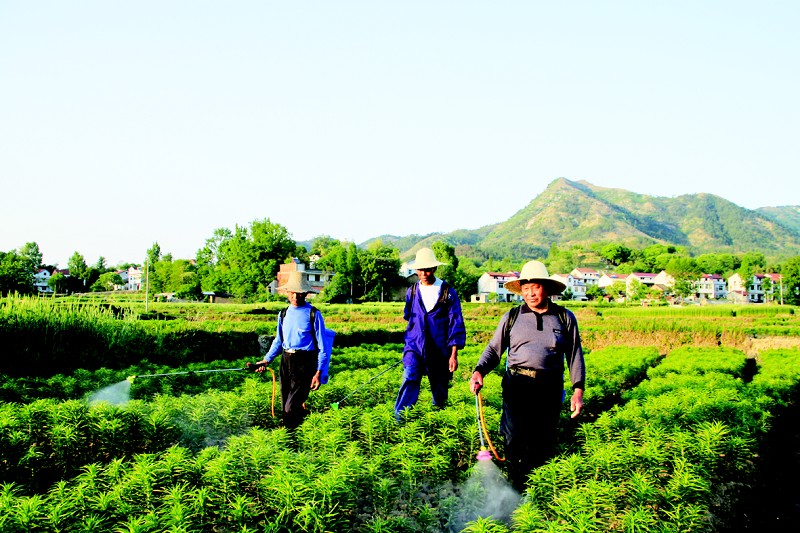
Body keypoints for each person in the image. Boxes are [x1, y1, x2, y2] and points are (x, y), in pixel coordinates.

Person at [470, 260, 585, 492]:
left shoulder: (564, 318)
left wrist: (578, 390)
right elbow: (494, 349)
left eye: (535, 287)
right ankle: (514, 485)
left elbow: (574, 354)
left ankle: (535, 490)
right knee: (513, 437)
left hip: (549, 386)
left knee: (542, 441)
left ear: (546, 288)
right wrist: (479, 371)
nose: (530, 293)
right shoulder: (512, 317)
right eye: (525, 288)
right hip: (517, 384)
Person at [395, 247, 466, 421]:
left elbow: (456, 323)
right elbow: (408, 316)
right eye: (421, 269)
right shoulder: (412, 291)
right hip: (414, 346)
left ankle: (438, 421)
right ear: (416, 270)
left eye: (427, 269)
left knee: (439, 388)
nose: (424, 273)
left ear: (434, 268)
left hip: (440, 349)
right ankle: (400, 420)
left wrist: (453, 355)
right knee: (410, 376)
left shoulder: (447, 292)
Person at [258, 271, 331, 430]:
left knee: (290, 407)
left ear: (305, 293)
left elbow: (323, 347)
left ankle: (292, 434)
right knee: (286, 404)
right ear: (287, 292)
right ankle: (295, 436)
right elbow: (278, 341)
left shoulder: (313, 314)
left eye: (299, 293)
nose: (295, 296)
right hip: (286, 360)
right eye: (292, 292)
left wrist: (318, 373)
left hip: (305, 362)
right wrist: (266, 359)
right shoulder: (283, 314)